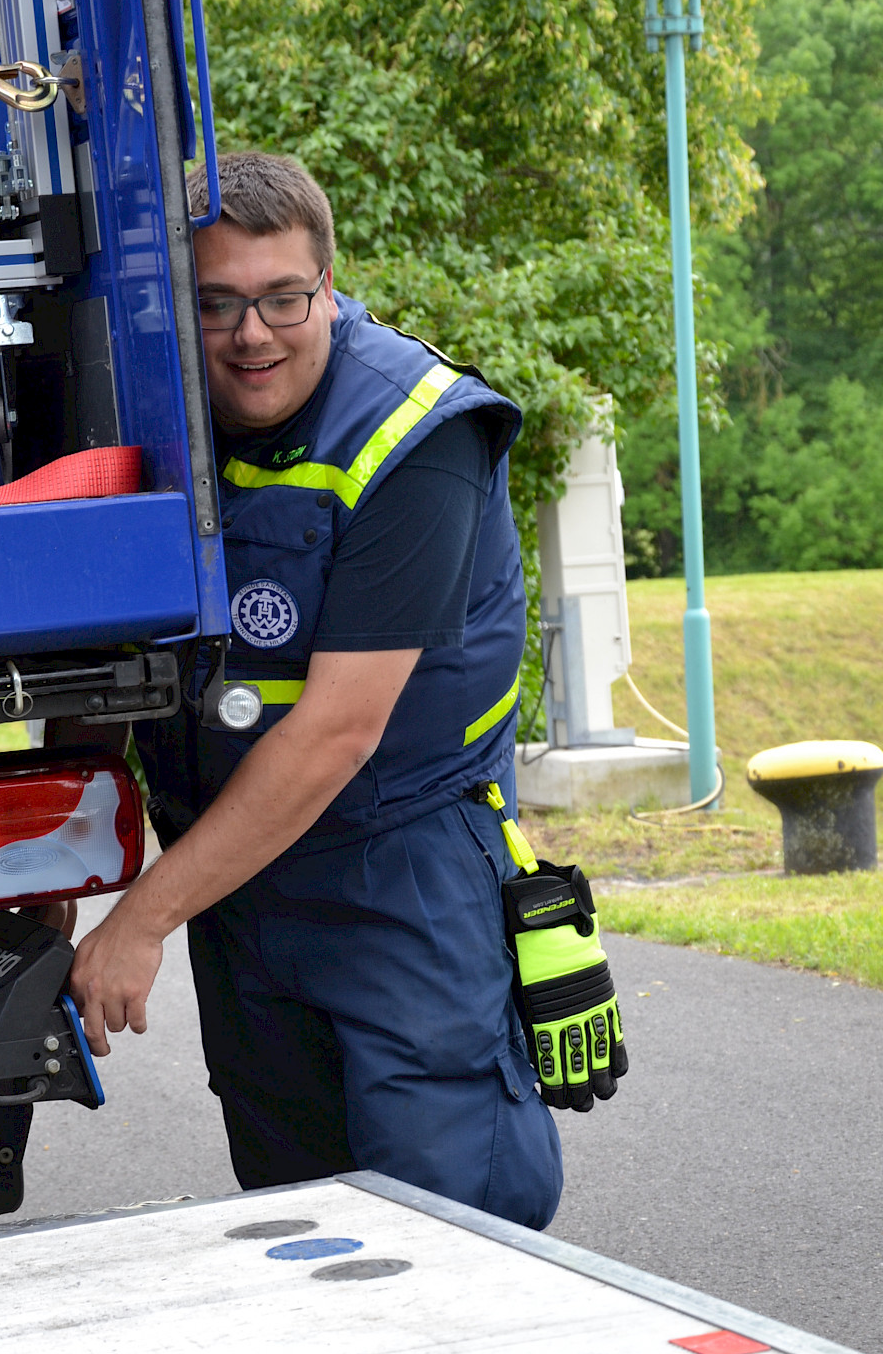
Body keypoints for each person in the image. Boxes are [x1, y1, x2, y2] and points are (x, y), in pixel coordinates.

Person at [69, 151, 562, 1228]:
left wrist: (141, 920)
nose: (254, 334)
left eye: (284, 299)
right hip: (244, 881)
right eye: (218, 304)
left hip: (400, 874)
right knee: (300, 1218)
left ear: (328, 289)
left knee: (450, 1212)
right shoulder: (157, 416)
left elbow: (338, 728)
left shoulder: (415, 436)